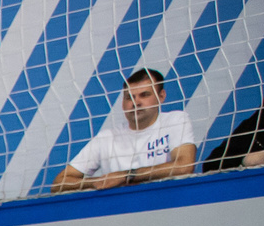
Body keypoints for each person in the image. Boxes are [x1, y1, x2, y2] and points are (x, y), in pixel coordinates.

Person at [52, 69, 197, 191]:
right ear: (122, 103)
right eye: (129, 97)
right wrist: (99, 181)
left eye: (144, 95)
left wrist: (126, 175)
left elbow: (184, 166)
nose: (136, 102)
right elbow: (59, 182)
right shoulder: (106, 138)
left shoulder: (176, 120)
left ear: (161, 97)